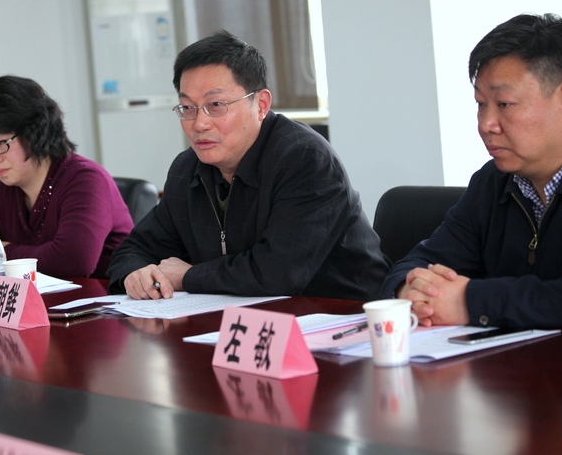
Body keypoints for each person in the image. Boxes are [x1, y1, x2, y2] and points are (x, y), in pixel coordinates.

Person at [107, 31, 388, 300]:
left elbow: (278, 274)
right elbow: (133, 250)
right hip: (239, 317)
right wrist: (136, 275)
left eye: (216, 105)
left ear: (261, 104)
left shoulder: (305, 160)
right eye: (188, 108)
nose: (199, 123)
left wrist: (188, 276)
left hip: (343, 314)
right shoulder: (187, 168)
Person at [381, 13, 562, 329]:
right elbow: (416, 264)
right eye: (480, 104)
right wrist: (412, 292)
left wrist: (471, 301)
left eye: (504, 104)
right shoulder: (493, 183)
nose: (486, 124)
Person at [0, 76, 133, 279]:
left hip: (106, 295)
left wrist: (3, 253)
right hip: (46, 297)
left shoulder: (86, 180)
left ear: (34, 133)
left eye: (0, 143)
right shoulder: (6, 190)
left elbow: (73, 261)